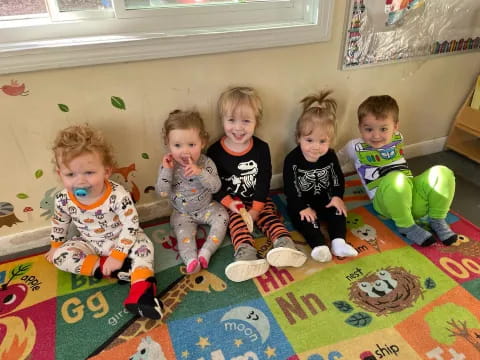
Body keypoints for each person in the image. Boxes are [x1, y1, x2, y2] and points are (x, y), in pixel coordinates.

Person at [46, 124, 163, 320]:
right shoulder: (63, 199)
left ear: (106, 171)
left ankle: (141, 294)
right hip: (89, 242)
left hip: (122, 239)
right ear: (60, 174)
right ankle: (113, 269)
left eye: (89, 173)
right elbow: (60, 222)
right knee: (60, 257)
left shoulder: (118, 195)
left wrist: (118, 254)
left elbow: (131, 225)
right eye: (70, 175)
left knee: (145, 247)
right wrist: (55, 245)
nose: (80, 181)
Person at [207, 86, 307, 283]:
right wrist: (230, 204)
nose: (238, 128)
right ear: (222, 120)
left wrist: (256, 207)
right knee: (236, 224)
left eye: (246, 121)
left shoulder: (261, 148)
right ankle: (246, 254)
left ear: (256, 122)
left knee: (269, 216)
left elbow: (263, 179)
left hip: (257, 198)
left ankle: (284, 243)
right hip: (231, 202)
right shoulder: (215, 152)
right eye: (231, 120)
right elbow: (214, 185)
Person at [338, 95, 457, 247]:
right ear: (360, 127)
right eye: (368, 129)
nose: (376, 135)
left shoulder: (398, 138)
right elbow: (335, 162)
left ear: (395, 127)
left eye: (383, 129)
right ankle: (407, 226)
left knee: (443, 172)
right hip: (386, 204)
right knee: (396, 178)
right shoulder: (354, 146)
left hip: (411, 196)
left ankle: (437, 219)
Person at [283, 90, 358, 262]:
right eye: (309, 140)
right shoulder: (292, 160)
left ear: (330, 141)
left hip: (325, 198)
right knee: (304, 220)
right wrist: (301, 206)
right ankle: (319, 245)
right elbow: (290, 188)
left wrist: (337, 197)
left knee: (339, 211)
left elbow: (337, 178)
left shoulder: (330, 156)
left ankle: (339, 242)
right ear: (298, 138)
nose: (316, 147)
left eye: (322, 141)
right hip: (302, 201)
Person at [156, 109, 228, 274]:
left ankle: (207, 251)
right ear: (168, 143)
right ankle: (191, 260)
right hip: (182, 213)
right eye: (177, 145)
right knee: (184, 236)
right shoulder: (169, 165)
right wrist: (166, 171)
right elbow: (162, 192)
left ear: (202, 142)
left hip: (207, 207)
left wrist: (200, 172)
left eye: (191, 145)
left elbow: (216, 187)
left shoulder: (206, 162)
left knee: (223, 217)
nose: (185, 151)